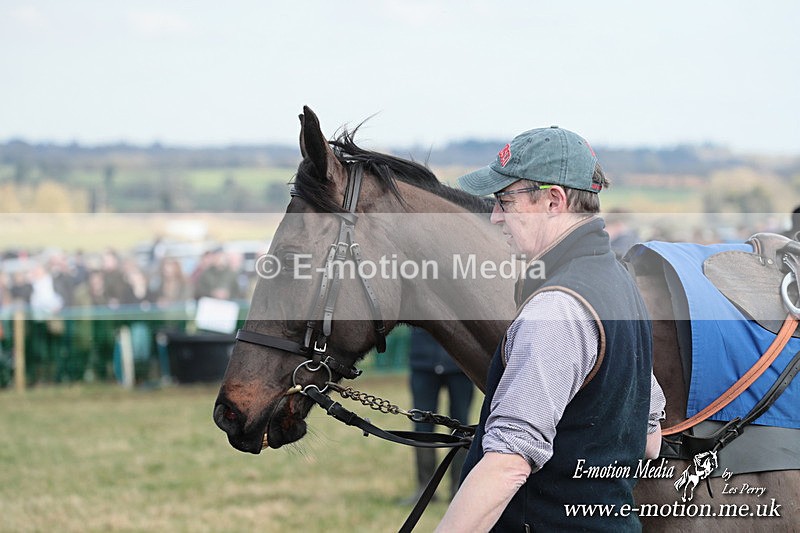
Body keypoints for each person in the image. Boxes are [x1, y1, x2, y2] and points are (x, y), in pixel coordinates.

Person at [437, 126, 665, 532]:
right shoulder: (618, 283)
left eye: (505, 200)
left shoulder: (557, 309)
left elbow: (508, 466)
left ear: (553, 201)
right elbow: (649, 441)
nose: (495, 216)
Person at [403, 327, 474, 503]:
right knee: (421, 427)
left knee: (461, 427)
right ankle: (424, 489)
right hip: (423, 361)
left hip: (460, 363)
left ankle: (458, 488)